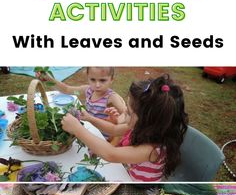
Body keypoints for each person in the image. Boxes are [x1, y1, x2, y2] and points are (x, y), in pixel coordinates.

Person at [61, 74, 189, 182]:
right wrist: (90, 118)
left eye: (128, 112)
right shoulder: (141, 128)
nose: (124, 114)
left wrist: (77, 129)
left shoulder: (151, 150)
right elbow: (114, 129)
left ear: (146, 121)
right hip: (126, 175)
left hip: (137, 193)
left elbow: (111, 154)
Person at [36, 66, 127, 139]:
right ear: (87, 77)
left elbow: (128, 113)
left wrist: (116, 120)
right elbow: (67, 89)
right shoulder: (88, 90)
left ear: (111, 80)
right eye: (93, 80)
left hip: (102, 137)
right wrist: (49, 79)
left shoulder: (112, 97)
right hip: (89, 130)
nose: (97, 85)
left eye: (102, 80)